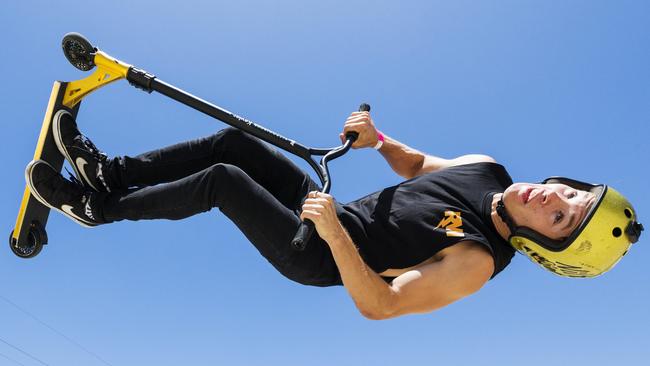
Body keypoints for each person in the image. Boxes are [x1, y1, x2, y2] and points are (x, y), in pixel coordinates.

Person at [26, 109, 643, 320]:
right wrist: (379, 141)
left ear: (543, 246)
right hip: (332, 217)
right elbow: (416, 165)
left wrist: (329, 234)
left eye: (564, 220)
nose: (554, 201)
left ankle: (96, 207)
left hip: (322, 254)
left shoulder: (477, 260)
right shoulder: (488, 169)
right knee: (234, 144)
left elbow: (381, 304)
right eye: (571, 196)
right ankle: (112, 173)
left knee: (223, 182)